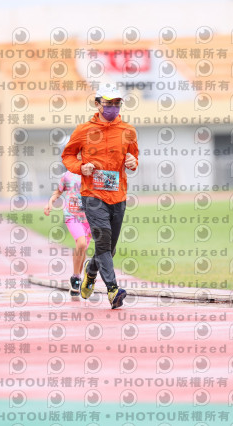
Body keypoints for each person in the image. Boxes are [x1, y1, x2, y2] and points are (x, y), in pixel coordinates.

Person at [61, 83, 139, 309]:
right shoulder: (83, 130)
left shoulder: (128, 131)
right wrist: (80, 167)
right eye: (108, 103)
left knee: (109, 248)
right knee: (102, 242)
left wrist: (133, 162)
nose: (113, 107)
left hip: (118, 195)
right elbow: (68, 156)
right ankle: (113, 290)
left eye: (117, 103)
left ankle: (91, 270)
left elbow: (133, 157)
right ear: (97, 104)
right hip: (93, 195)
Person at [44, 164, 92, 297]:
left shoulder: (96, 173)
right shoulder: (68, 175)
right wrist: (50, 202)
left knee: (83, 249)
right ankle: (76, 277)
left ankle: (76, 279)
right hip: (72, 215)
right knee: (81, 243)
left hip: (90, 218)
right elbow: (58, 191)